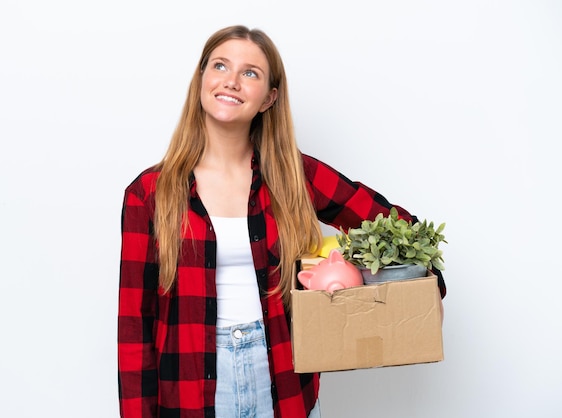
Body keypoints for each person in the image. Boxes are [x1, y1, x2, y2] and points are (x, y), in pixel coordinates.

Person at [117, 25, 446, 418]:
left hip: (284, 385)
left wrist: (426, 287)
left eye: (250, 73)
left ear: (270, 97)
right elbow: (135, 327)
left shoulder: (295, 176)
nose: (232, 81)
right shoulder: (149, 193)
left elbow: (399, 226)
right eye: (220, 66)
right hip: (191, 392)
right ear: (202, 78)